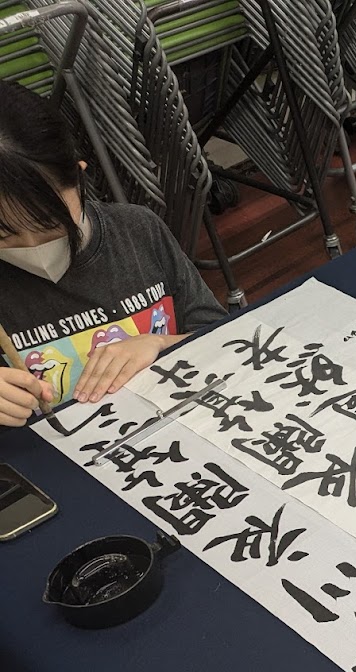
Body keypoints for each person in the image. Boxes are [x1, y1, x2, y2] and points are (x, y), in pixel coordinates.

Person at [0, 83, 224, 428]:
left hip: (184, 426)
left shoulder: (138, 231)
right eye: (4, 235)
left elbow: (225, 337)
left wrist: (161, 342)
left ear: (78, 175)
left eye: (50, 223)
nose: (31, 244)